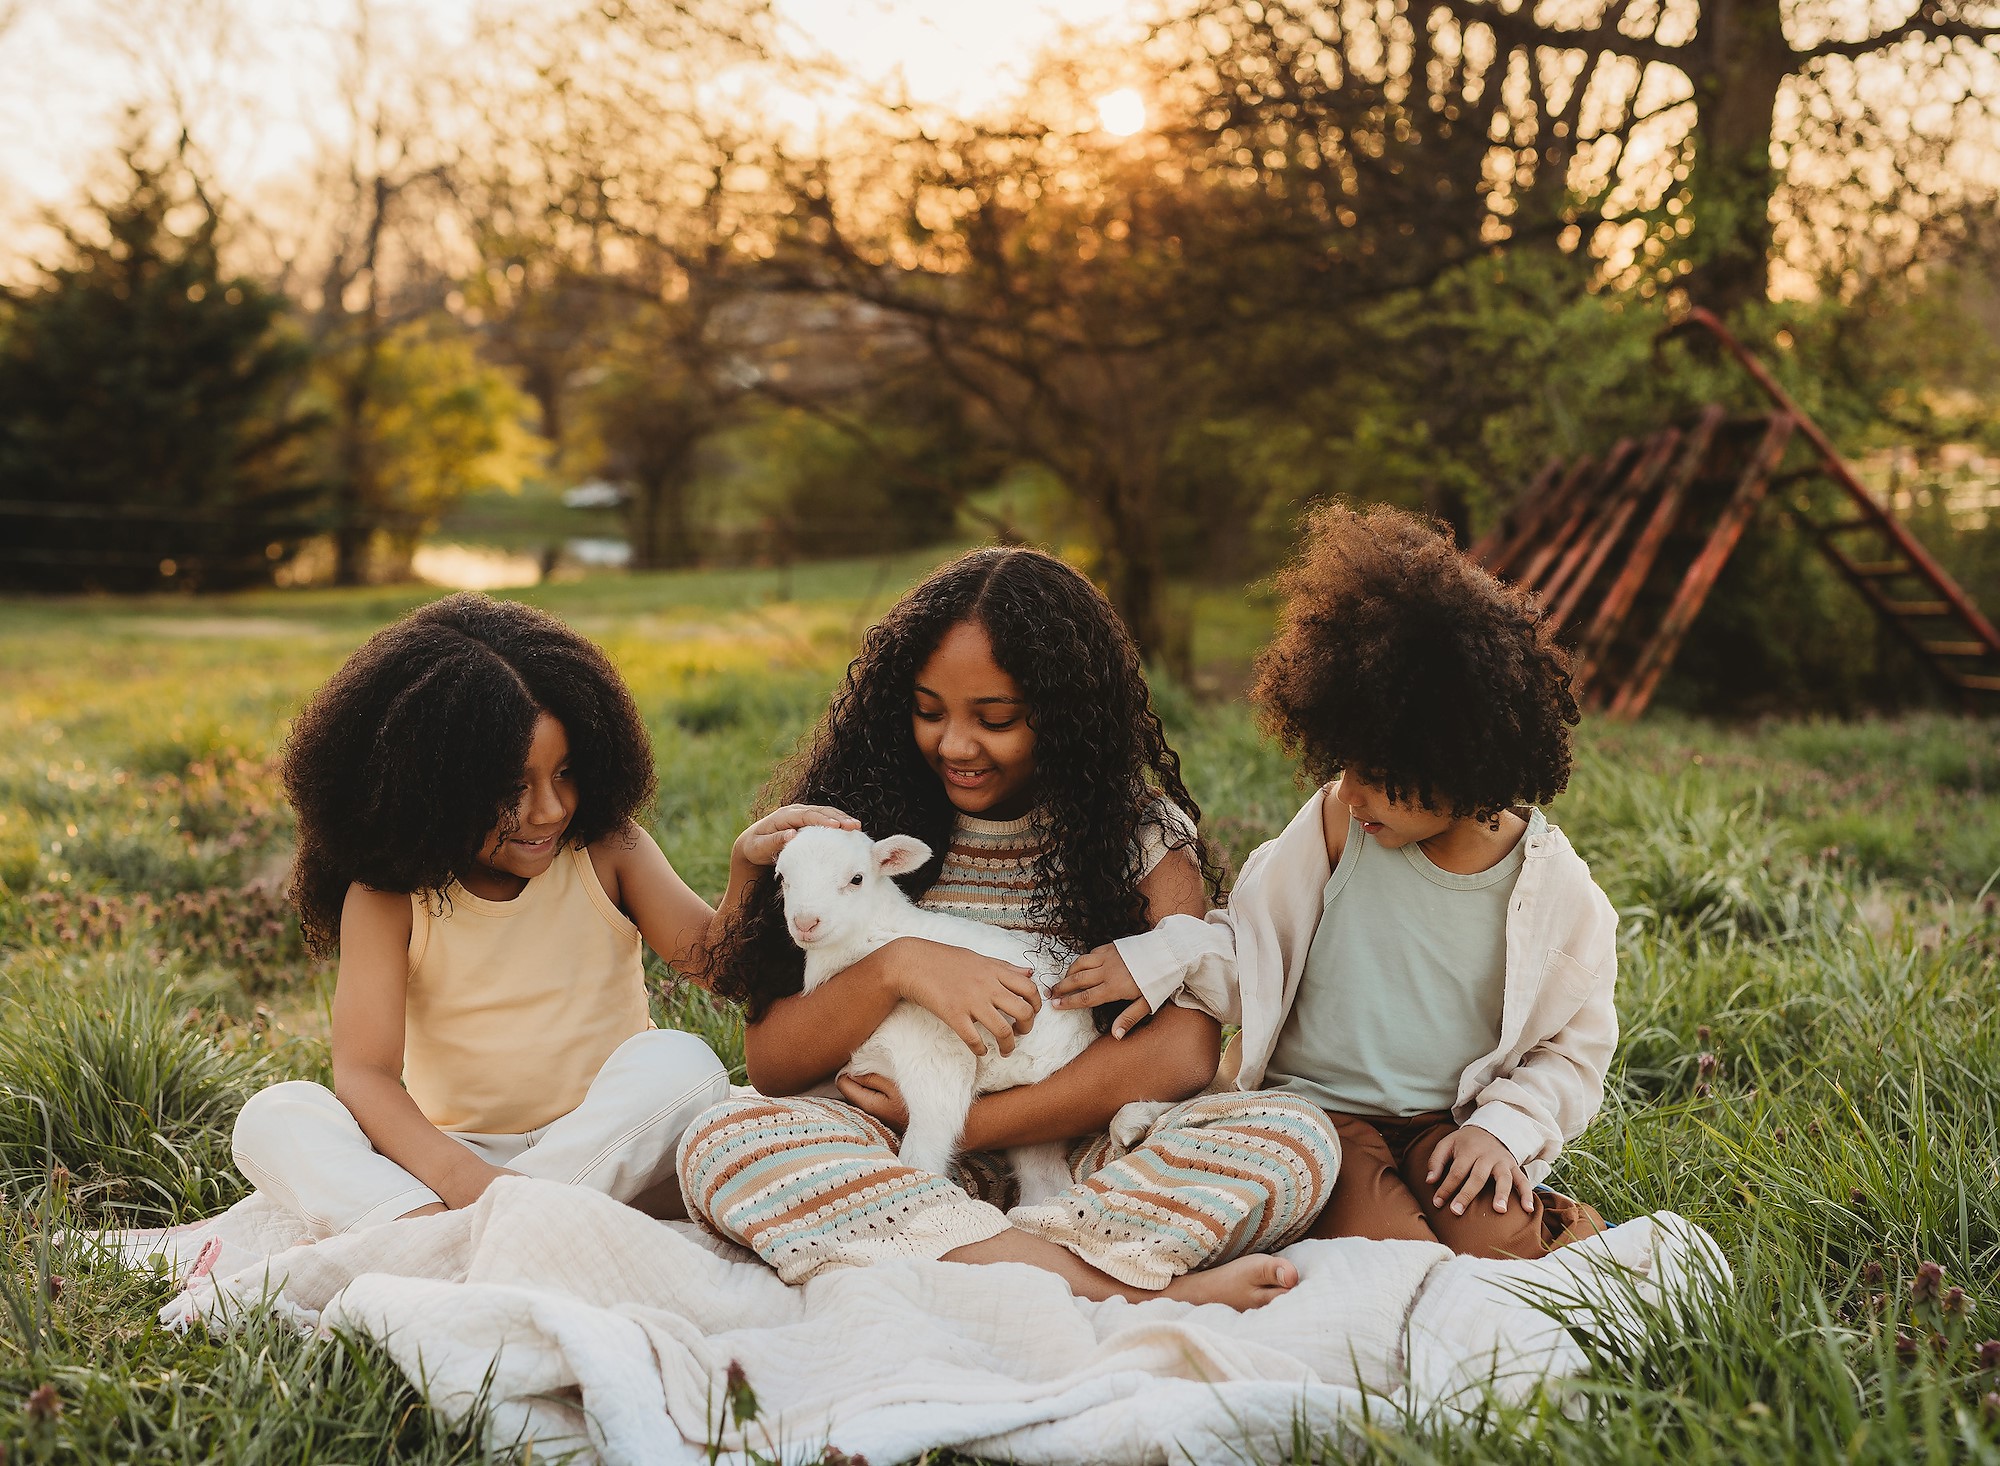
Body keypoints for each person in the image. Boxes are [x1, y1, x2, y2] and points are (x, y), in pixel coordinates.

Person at [678, 547, 1341, 1310]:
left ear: (1064, 716)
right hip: (889, 1147)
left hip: (1080, 1154)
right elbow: (772, 1064)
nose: (955, 745)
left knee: (1293, 1136)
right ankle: (1098, 1278)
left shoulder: (1140, 841)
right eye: (929, 712)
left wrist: (969, 1121)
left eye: (994, 719)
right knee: (726, 1141)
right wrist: (901, 965)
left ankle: (960, 1248)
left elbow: (1185, 1050)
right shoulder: (862, 828)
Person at [1067, 503, 1615, 1259]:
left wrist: (1502, 1129)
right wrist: (1165, 956)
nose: (1352, 792)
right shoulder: (1335, 828)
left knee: (1500, 1246)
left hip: (1448, 1126)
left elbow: (1573, 1050)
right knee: (1391, 1256)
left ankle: (1562, 1232)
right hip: (1318, 1119)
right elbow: (1255, 949)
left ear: (1465, 765)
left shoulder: (1558, 896)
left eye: (1381, 776)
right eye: (1345, 764)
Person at [232, 592, 853, 1236]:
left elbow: (714, 965)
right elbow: (365, 1074)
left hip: (609, 1143)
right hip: (453, 1159)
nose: (550, 809)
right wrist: (464, 1179)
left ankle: (439, 1237)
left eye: (565, 773)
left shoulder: (609, 849)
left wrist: (746, 869)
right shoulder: (387, 897)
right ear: (429, 790)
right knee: (274, 1117)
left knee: (684, 1064)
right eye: (512, 788)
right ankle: (488, 1223)